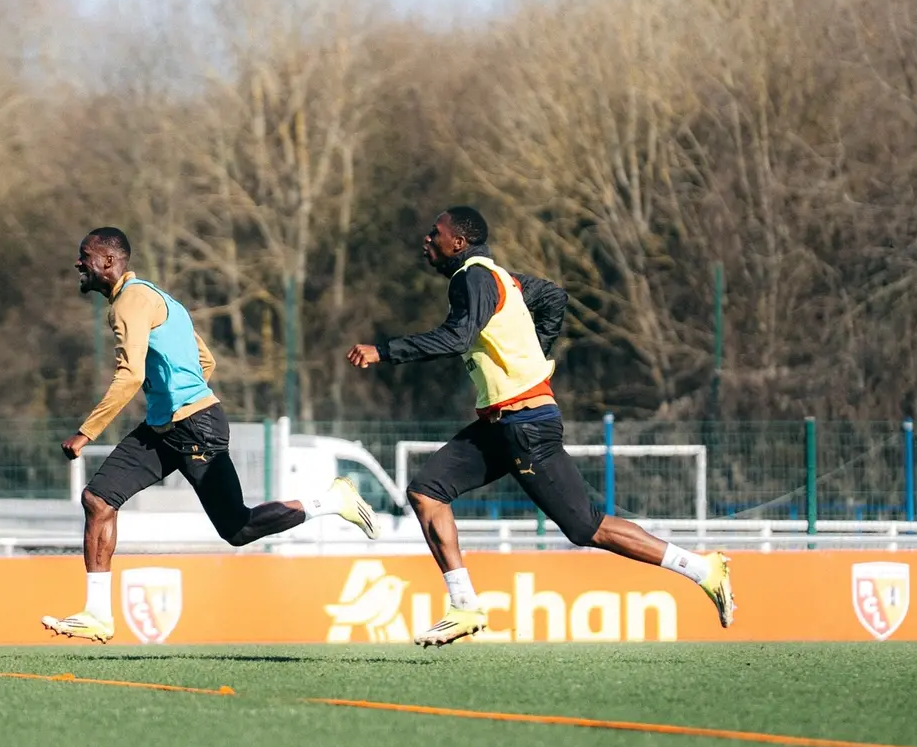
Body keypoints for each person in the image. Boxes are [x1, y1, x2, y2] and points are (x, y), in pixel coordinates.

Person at [347, 206, 734, 647]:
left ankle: (704, 570)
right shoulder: (500, 278)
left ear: (459, 241)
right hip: (502, 423)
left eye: (435, 232)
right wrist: (537, 354)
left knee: (587, 528)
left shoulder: (472, 278)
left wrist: (385, 350)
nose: (426, 239)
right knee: (426, 491)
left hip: (526, 425)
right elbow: (553, 297)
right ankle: (464, 606)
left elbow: (456, 337)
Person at [42, 227, 379, 643]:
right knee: (98, 498)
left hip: (194, 427)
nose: (79, 263)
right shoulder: (161, 299)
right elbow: (206, 359)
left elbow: (130, 375)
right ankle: (97, 614)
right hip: (171, 425)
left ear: (109, 262)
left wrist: (86, 432)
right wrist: (179, 398)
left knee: (237, 528)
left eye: (85, 256)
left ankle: (332, 500)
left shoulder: (129, 303)